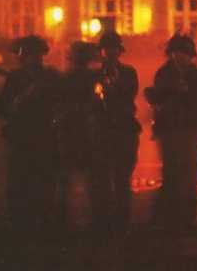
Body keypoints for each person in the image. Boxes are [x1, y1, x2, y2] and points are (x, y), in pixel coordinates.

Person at [0, 35, 62, 234]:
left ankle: (43, 221)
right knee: (19, 181)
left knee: (45, 181)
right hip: (22, 137)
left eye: (37, 54)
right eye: (30, 55)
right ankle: (21, 222)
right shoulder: (15, 78)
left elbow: (61, 104)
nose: (34, 58)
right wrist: (21, 99)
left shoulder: (51, 77)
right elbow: (2, 108)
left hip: (44, 135)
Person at [145, 33, 197, 233]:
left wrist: (188, 94)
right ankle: (168, 217)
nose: (180, 57)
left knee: (192, 175)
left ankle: (187, 219)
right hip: (170, 130)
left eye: (184, 53)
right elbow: (157, 99)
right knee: (172, 174)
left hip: (193, 130)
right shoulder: (164, 74)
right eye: (177, 53)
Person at [87, 30, 140, 238]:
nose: (110, 52)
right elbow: (91, 101)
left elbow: (129, 94)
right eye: (107, 49)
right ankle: (101, 222)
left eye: (114, 49)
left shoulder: (129, 72)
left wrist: (112, 88)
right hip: (102, 130)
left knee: (121, 179)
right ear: (101, 51)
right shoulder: (94, 75)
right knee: (100, 179)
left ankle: (121, 223)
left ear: (119, 51)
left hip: (124, 130)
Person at [60, 41, 102, 224]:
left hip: (75, 130)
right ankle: (95, 219)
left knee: (67, 179)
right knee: (93, 179)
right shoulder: (95, 78)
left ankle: (65, 219)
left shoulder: (66, 78)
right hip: (86, 130)